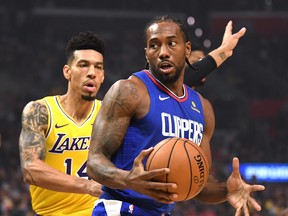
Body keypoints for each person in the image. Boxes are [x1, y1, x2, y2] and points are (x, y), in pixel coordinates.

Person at [87, 15, 265, 216]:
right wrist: (127, 179)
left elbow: (199, 184)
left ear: (187, 49)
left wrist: (226, 190)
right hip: (120, 208)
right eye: (154, 46)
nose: (163, 52)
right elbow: (94, 162)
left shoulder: (203, 109)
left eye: (171, 43)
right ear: (147, 54)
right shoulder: (129, 91)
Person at [18, 31, 105, 215]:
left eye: (98, 67)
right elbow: (30, 169)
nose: (92, 73)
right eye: (83, 65)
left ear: (103, 76)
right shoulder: (40, 111)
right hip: (50, 212)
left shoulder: (108, 114)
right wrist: (87, 186)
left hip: (96, 210)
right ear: (67, 71)